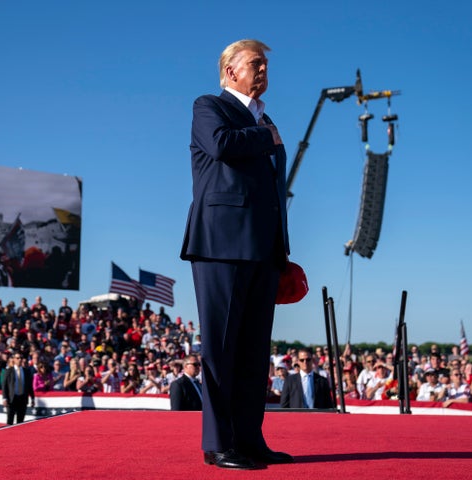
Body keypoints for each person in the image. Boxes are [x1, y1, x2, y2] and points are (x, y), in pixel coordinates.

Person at [180, 39, 291, 470]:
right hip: (220, 244)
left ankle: (250, 441)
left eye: (266, 65)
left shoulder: (267, 120)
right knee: (221, 350)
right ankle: (218, 444)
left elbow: (275, 194)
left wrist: (282, 248)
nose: (263, 71)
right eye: (255, 64)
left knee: (252, 353)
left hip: (263, 248)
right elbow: (222, 145)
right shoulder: (209, 106)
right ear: (230, 71)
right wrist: (265, 135)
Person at [2, 352, 34, 425]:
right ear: (14, 360)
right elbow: (4, 385)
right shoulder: (9, 371)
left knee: (20, 422)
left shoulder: (26, 371)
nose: (19, 360)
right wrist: (4, 398)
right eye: (17, 358)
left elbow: (29, 386)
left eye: (21, 358)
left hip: (22, 398)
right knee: (10, 420)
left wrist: (32, 398)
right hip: (12, 399)